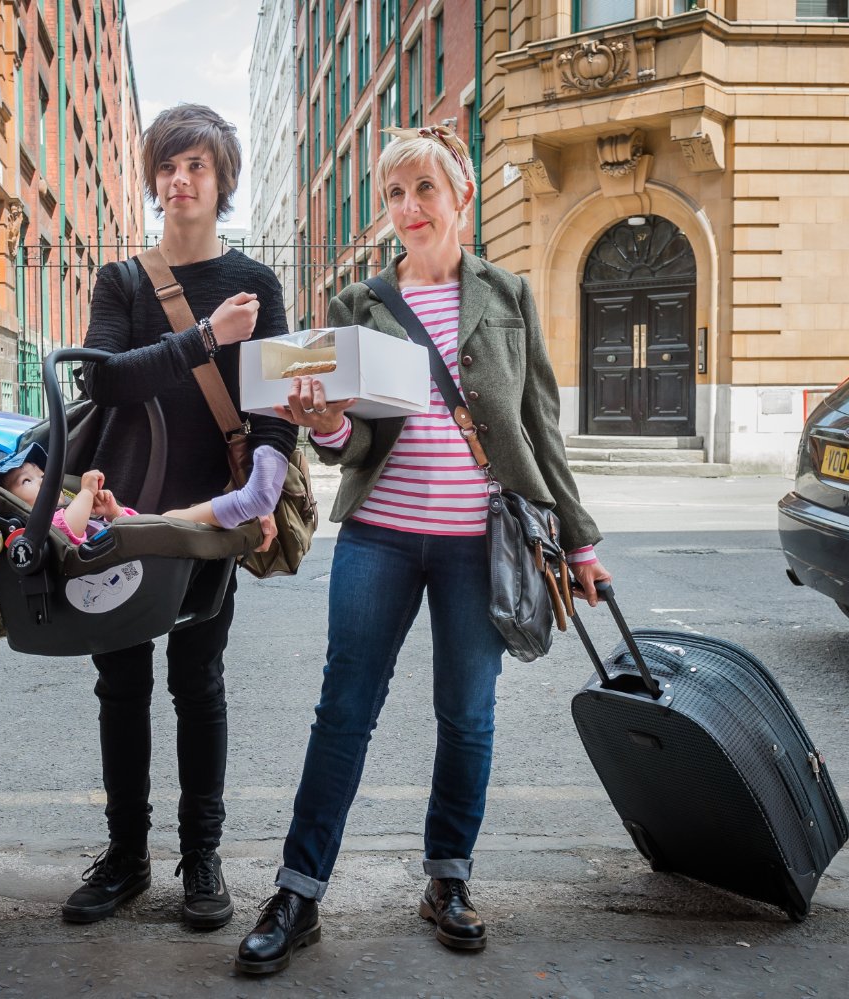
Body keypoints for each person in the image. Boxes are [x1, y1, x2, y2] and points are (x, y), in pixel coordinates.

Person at [234, 125, 613, 974]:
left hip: (484, 543)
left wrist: (581, 543)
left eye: (423, 190)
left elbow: (539, 431)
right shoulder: (359, 306)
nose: (408, 208)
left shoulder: (508, 293)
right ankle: (298, 890)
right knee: (344, 710)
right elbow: (347, 439)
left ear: (461, 197)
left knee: (467, 715)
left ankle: (448, 877)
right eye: (395, 194)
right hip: (382, 537)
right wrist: (325, 425)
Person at [61, 103, 297, 931]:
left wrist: (264, 491)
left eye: (197, 165)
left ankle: (202, 858)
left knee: (198, 681)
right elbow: (106, 381)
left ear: (221, 179)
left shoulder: (258, 285)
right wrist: (203, 336)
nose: (180, 179)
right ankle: (126, 857)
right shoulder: (124, 279)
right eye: (168, 165)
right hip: (123, 510)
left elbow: (273, 407)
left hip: (209, 515)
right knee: (119, 683)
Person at [0, 440, 289, 545]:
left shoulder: (64, 510)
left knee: (174, 520)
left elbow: (101, 524)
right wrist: (84, 493)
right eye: (27, 481)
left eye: (43, 475)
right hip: (115, 568)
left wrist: (114, 514)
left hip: (126, 551)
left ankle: (243, 504)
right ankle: (244, 502)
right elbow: (69, 529)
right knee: (171, 521)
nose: (43, 481)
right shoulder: (38, 529)